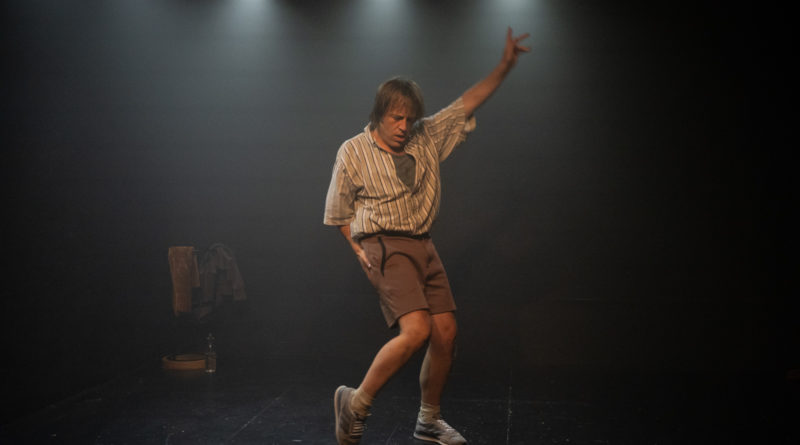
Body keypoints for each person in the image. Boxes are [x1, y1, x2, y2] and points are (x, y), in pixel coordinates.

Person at [324, 28, 530, 445]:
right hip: (384, 244)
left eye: (409, 119)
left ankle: (428, 420)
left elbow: (468, 101)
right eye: (395, 118)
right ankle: (355, 403)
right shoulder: (353, 151)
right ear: (378, 114)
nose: (403, 127)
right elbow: (338, 211)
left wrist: (505, 65)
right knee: (416, 330)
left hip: (423, 244)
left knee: (445, 333)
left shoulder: (426, 137)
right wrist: (357, 249)